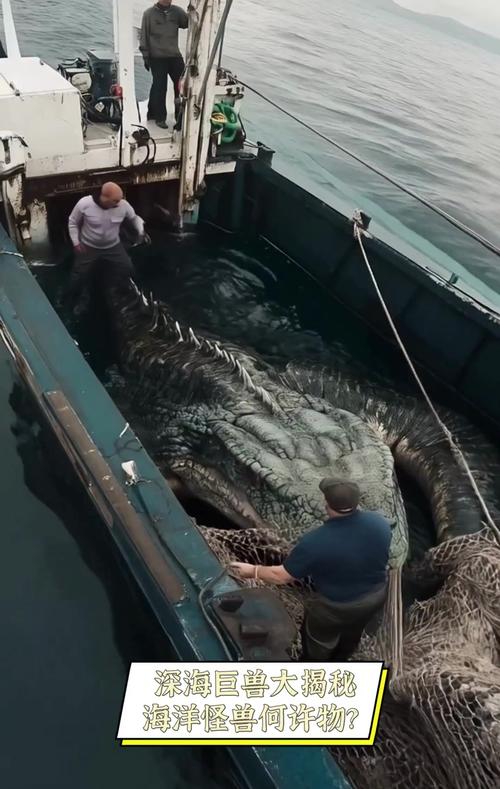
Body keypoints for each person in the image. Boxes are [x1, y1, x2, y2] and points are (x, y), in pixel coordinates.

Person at [231, 478, 393, 661]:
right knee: (353, 633)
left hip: (336, 607)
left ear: (327, 504)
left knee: (319, 641)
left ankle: (314, 666)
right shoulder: (380, 523)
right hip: (376, 595)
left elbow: (281, 576)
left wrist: (253, 570)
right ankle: (343, 658)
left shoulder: (315, 542)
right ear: (357, 503)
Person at [67, 182, 146, 307]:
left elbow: (134, 218)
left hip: (113, 247)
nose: (119, 203)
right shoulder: (84, 204)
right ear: (104, 197)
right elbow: (72, 222)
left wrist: (140, 230)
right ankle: (69, 301)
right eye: (115, 200)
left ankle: (134, 297)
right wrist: (76, 243)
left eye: (120, 200)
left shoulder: (123, 205)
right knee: (78, 276)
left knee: (129, 268)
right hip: (88, 246)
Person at [139, 1, 189, 129]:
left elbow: (188, 23)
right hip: (157, 57)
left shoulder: (177, 12)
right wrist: (146, 57)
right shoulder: (148, 14)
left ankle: (180, 117)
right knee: (160, 86)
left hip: (174, 56)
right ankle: (158, 117)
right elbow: (143, 37)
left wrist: (193, 12)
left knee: (182, 86)